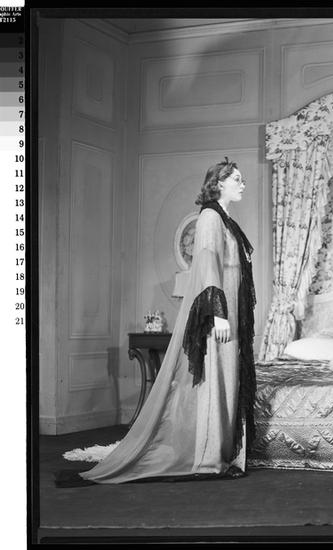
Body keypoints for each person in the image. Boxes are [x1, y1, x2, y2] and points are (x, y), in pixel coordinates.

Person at [79, 158, 257, 483]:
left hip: (230, 313)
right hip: (219, 315)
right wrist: (218, 314)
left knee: (226, 379)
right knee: (215, 380)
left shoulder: (225, 219)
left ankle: (220, 453)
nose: (242, 184)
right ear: (218, 184)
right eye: (237, 179)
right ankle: (208, 458)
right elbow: (208, 265)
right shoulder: (210, 218)